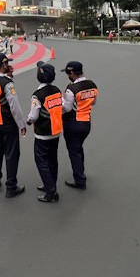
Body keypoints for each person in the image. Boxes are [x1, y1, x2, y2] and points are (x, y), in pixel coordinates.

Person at [0, 51, 26, 198]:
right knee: (12, 154)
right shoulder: (7, 84)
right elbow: (15, 107)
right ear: (3, 64)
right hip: (8, 123)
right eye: (7, 63)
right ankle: (11, 186)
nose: (9, 65)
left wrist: (7, 76)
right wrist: (21, 124)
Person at [26, 62, 63, 203]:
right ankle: (50, 183)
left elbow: (34, 116)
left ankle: (51, 192)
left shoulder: (37, 95)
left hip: (43, 133)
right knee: (53, 158)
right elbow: (64, 106)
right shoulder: (57, 90)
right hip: (56, 131)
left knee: (41, 160)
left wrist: (28, 121)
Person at [61, 61, 98, 190]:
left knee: (74, 151)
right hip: (86, 123)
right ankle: (80, 172)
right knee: (78, 148)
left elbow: (66, 108)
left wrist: (61, 99)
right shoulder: (92, 85)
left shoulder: (71, 89)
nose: (67, 76)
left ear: (72, 73)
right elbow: (93, 102)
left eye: (67, 73)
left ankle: (80, 180)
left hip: (73, 123)